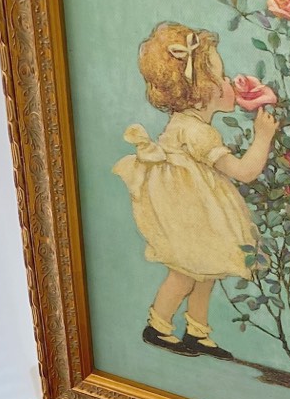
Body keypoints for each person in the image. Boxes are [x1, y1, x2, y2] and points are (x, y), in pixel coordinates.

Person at [113, 21, 277, 358]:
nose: (229, 83)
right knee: (186, 273)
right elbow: (244, 172)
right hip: (190, 215)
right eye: (222, 77)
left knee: (206, 271)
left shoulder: (185, 124)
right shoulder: (198, 132)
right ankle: (158, 326)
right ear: (203, 90)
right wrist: (263, 138)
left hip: (195, 210)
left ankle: (197, 331)